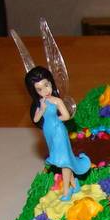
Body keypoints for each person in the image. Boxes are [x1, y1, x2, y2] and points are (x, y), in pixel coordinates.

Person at [26, 66, 90, 201]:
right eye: (39, 89)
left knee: (63, 161)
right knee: (61, 160)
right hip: (49, 133)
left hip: (59, 132)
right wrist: (42, 109)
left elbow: (66, 116)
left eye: (46, 85)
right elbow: (36, 119)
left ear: (51, 83)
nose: (45, 91)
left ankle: (67, 191)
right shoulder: (40, 103)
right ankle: (75, 184)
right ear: (35, 91)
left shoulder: (57, 101)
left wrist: (56, 121)